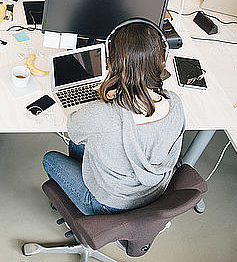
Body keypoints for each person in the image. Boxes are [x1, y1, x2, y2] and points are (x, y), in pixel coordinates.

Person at [42, 21, 185, 215]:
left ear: (110, 62)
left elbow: (74, 131)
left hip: (107, 203)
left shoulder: (103, 114)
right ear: (162, 60)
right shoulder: (175, 103)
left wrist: (102, 99)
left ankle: (83, 210)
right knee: (83, 144)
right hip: (153, 192)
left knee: (50, 159)